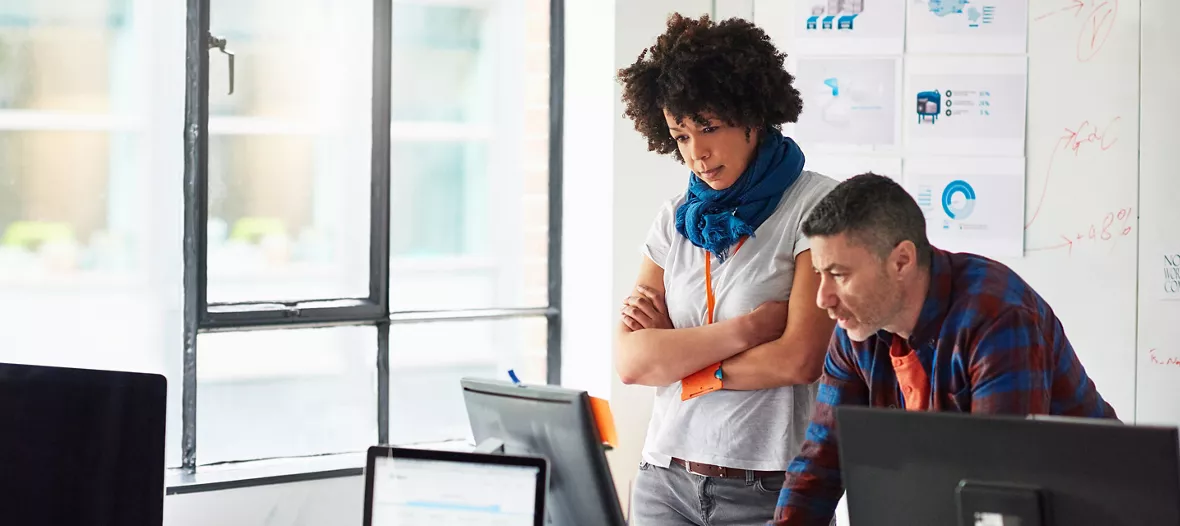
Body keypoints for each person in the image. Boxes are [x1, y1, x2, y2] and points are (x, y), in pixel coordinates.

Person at [771, 173, 1119, 525]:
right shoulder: (858, 325)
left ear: (901, 261)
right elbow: (819, 464)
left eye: (839, 275)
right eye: (820, 274)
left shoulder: (996, 316)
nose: (823, 299)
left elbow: (998, 490)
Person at [614, 13, 839, 525]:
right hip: (663, 481)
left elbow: (798, 359)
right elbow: (634, 362)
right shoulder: (674, 220)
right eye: (681, 136)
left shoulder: (816, 207)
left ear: (752, 117)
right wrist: (750, 329)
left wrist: (685, 370)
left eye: (709, 129)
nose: (697, 153)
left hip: (767, 488)